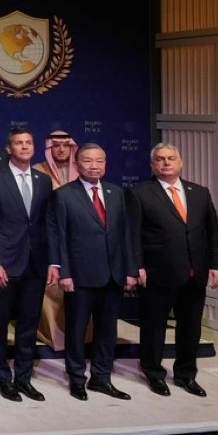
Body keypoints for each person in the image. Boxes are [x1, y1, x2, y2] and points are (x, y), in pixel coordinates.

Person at [129, 143, 218, 398]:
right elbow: (133, 235)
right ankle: (153, 372)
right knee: (154, 328)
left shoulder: (200, 193)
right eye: (160, 160)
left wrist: (217, 265)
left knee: (191, 327)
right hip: (156, 273)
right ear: (152, 165)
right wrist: (136, 266)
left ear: (180, 162)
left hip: (194, 273)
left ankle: (185, 374)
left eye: (171, 159)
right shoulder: (140, 193)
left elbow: (212, 232)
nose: (166, 163)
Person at [47, 144, 138, 401]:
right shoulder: (64, 195)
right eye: (88, 161)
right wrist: (64, 272)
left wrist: (130, 269)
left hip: (113, 275)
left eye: (99, 160)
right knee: (76, 331)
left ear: (106, 164)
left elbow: (125, 235)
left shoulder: (117, 193)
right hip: (79, 276)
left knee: (107, 331)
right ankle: (77, 379)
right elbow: (59, 236)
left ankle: (101, 378)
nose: (94, 165)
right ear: (77, 164)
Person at [0, 128, 53, 402]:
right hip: (5, 265)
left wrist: (52, 262)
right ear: (8, 149)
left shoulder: (43, 180)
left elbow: (47, 224)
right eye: (18, 143)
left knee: (28, 324)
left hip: (36, 263)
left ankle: (24, 378)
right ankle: (3, 378)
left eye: (28, 142)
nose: (24, 146)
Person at [33, 130, 80, 350]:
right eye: (56, 146)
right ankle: (53, 336)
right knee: (52, 288)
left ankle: (81, 335)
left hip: (79, 239)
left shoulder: (82, 169)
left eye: (65, 146)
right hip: (47, 238)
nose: (61, 150)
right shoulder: (38, 172)